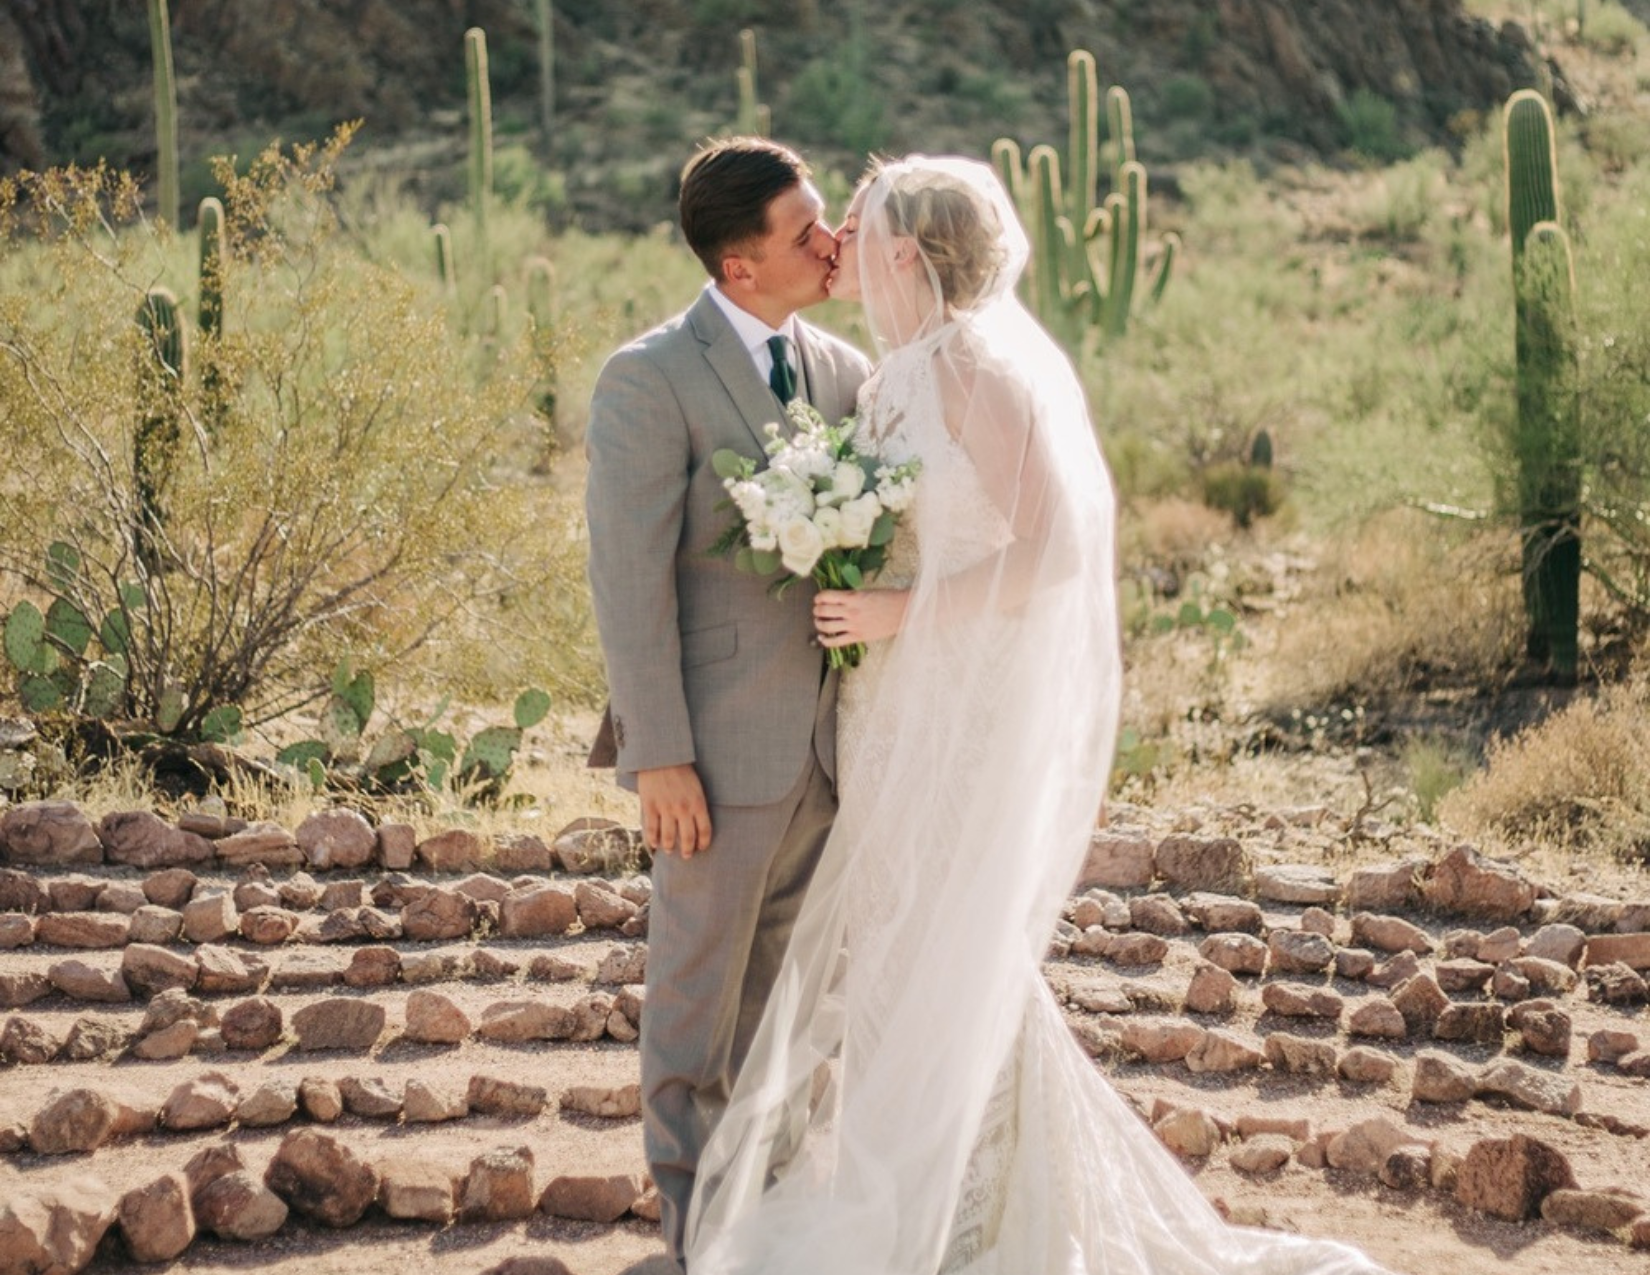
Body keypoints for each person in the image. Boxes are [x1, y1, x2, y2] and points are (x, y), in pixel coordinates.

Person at [683, 156, 1393, 1275]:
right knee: (899, 946)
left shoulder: (972, 367)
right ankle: (911, 1184)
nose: (842, 255)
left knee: (953, 948)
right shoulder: (887, 377)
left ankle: (974, 1220)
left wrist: (896, 607)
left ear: (909, 255)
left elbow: (1054, 547)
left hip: (956, 703)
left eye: (860, 236)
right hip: (886, 707)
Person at [584, 136, 873, 1271]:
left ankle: (784, 1229)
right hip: (711, 754)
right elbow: (628, 578)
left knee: (796, 1011)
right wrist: (658, 755)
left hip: (828, 750)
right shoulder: (649, 378)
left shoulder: (845, 372)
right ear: (740, 265)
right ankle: (701, 1237)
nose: (831, 241)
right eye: (807, 231)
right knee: (698, 1006)